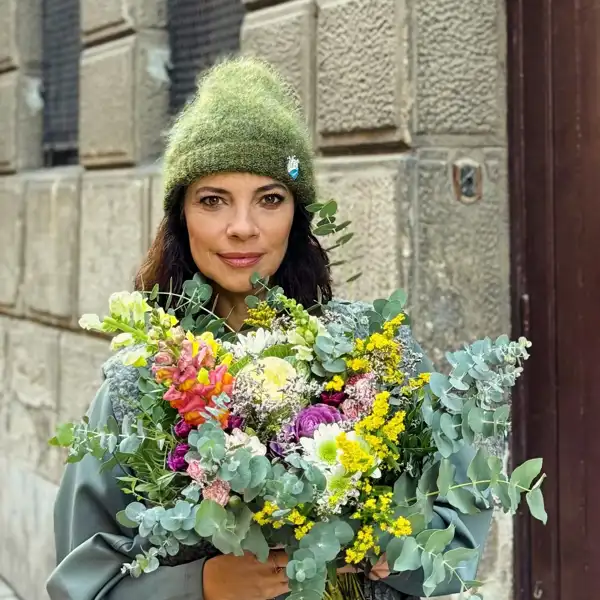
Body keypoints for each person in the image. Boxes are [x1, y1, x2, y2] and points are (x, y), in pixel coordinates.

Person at [47, 57, 492, 600]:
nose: (242, 227)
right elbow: (82, 582)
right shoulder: (138, 383)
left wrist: (386, 546)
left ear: (297, 215)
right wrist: (202, 584)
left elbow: (460, 524)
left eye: (270, 199)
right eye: (213, 200)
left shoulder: (376, 353)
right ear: (180, 216)